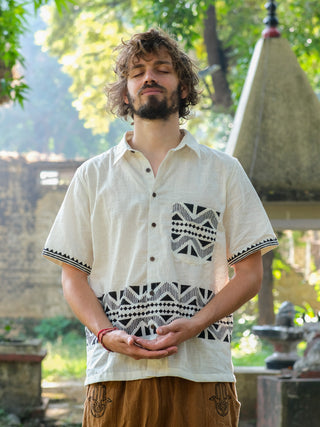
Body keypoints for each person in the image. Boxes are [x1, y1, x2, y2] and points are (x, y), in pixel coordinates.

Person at [43, 28, 278, 427]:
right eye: (137, 71)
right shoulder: (92, 177)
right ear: (125, 92)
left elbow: (251, 274)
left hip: (202, 374)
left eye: (162, 69)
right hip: (115, 375)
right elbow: (72, 277)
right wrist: (105, 334)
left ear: (183, 87)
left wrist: (198, 323)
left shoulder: (223, 172)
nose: (149, 77)